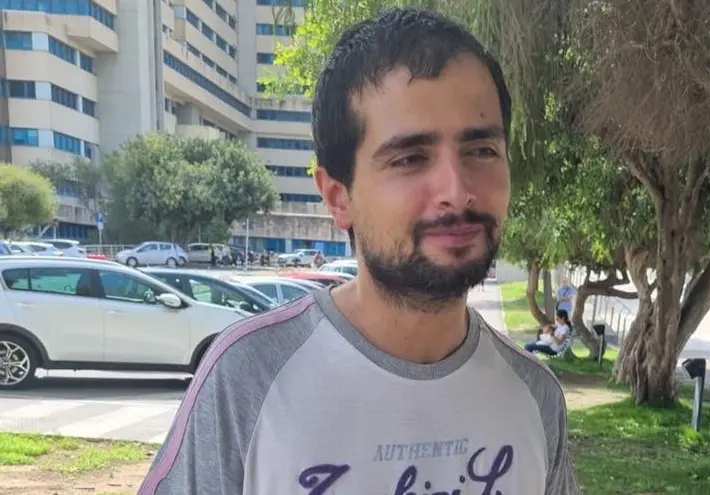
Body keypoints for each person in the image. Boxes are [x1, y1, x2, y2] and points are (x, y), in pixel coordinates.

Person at [137, 8, 579, 495]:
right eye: (410, 158)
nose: (457, 191)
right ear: (338, 197)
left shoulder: (533, 395)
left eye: (481, 151)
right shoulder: (247, 380)